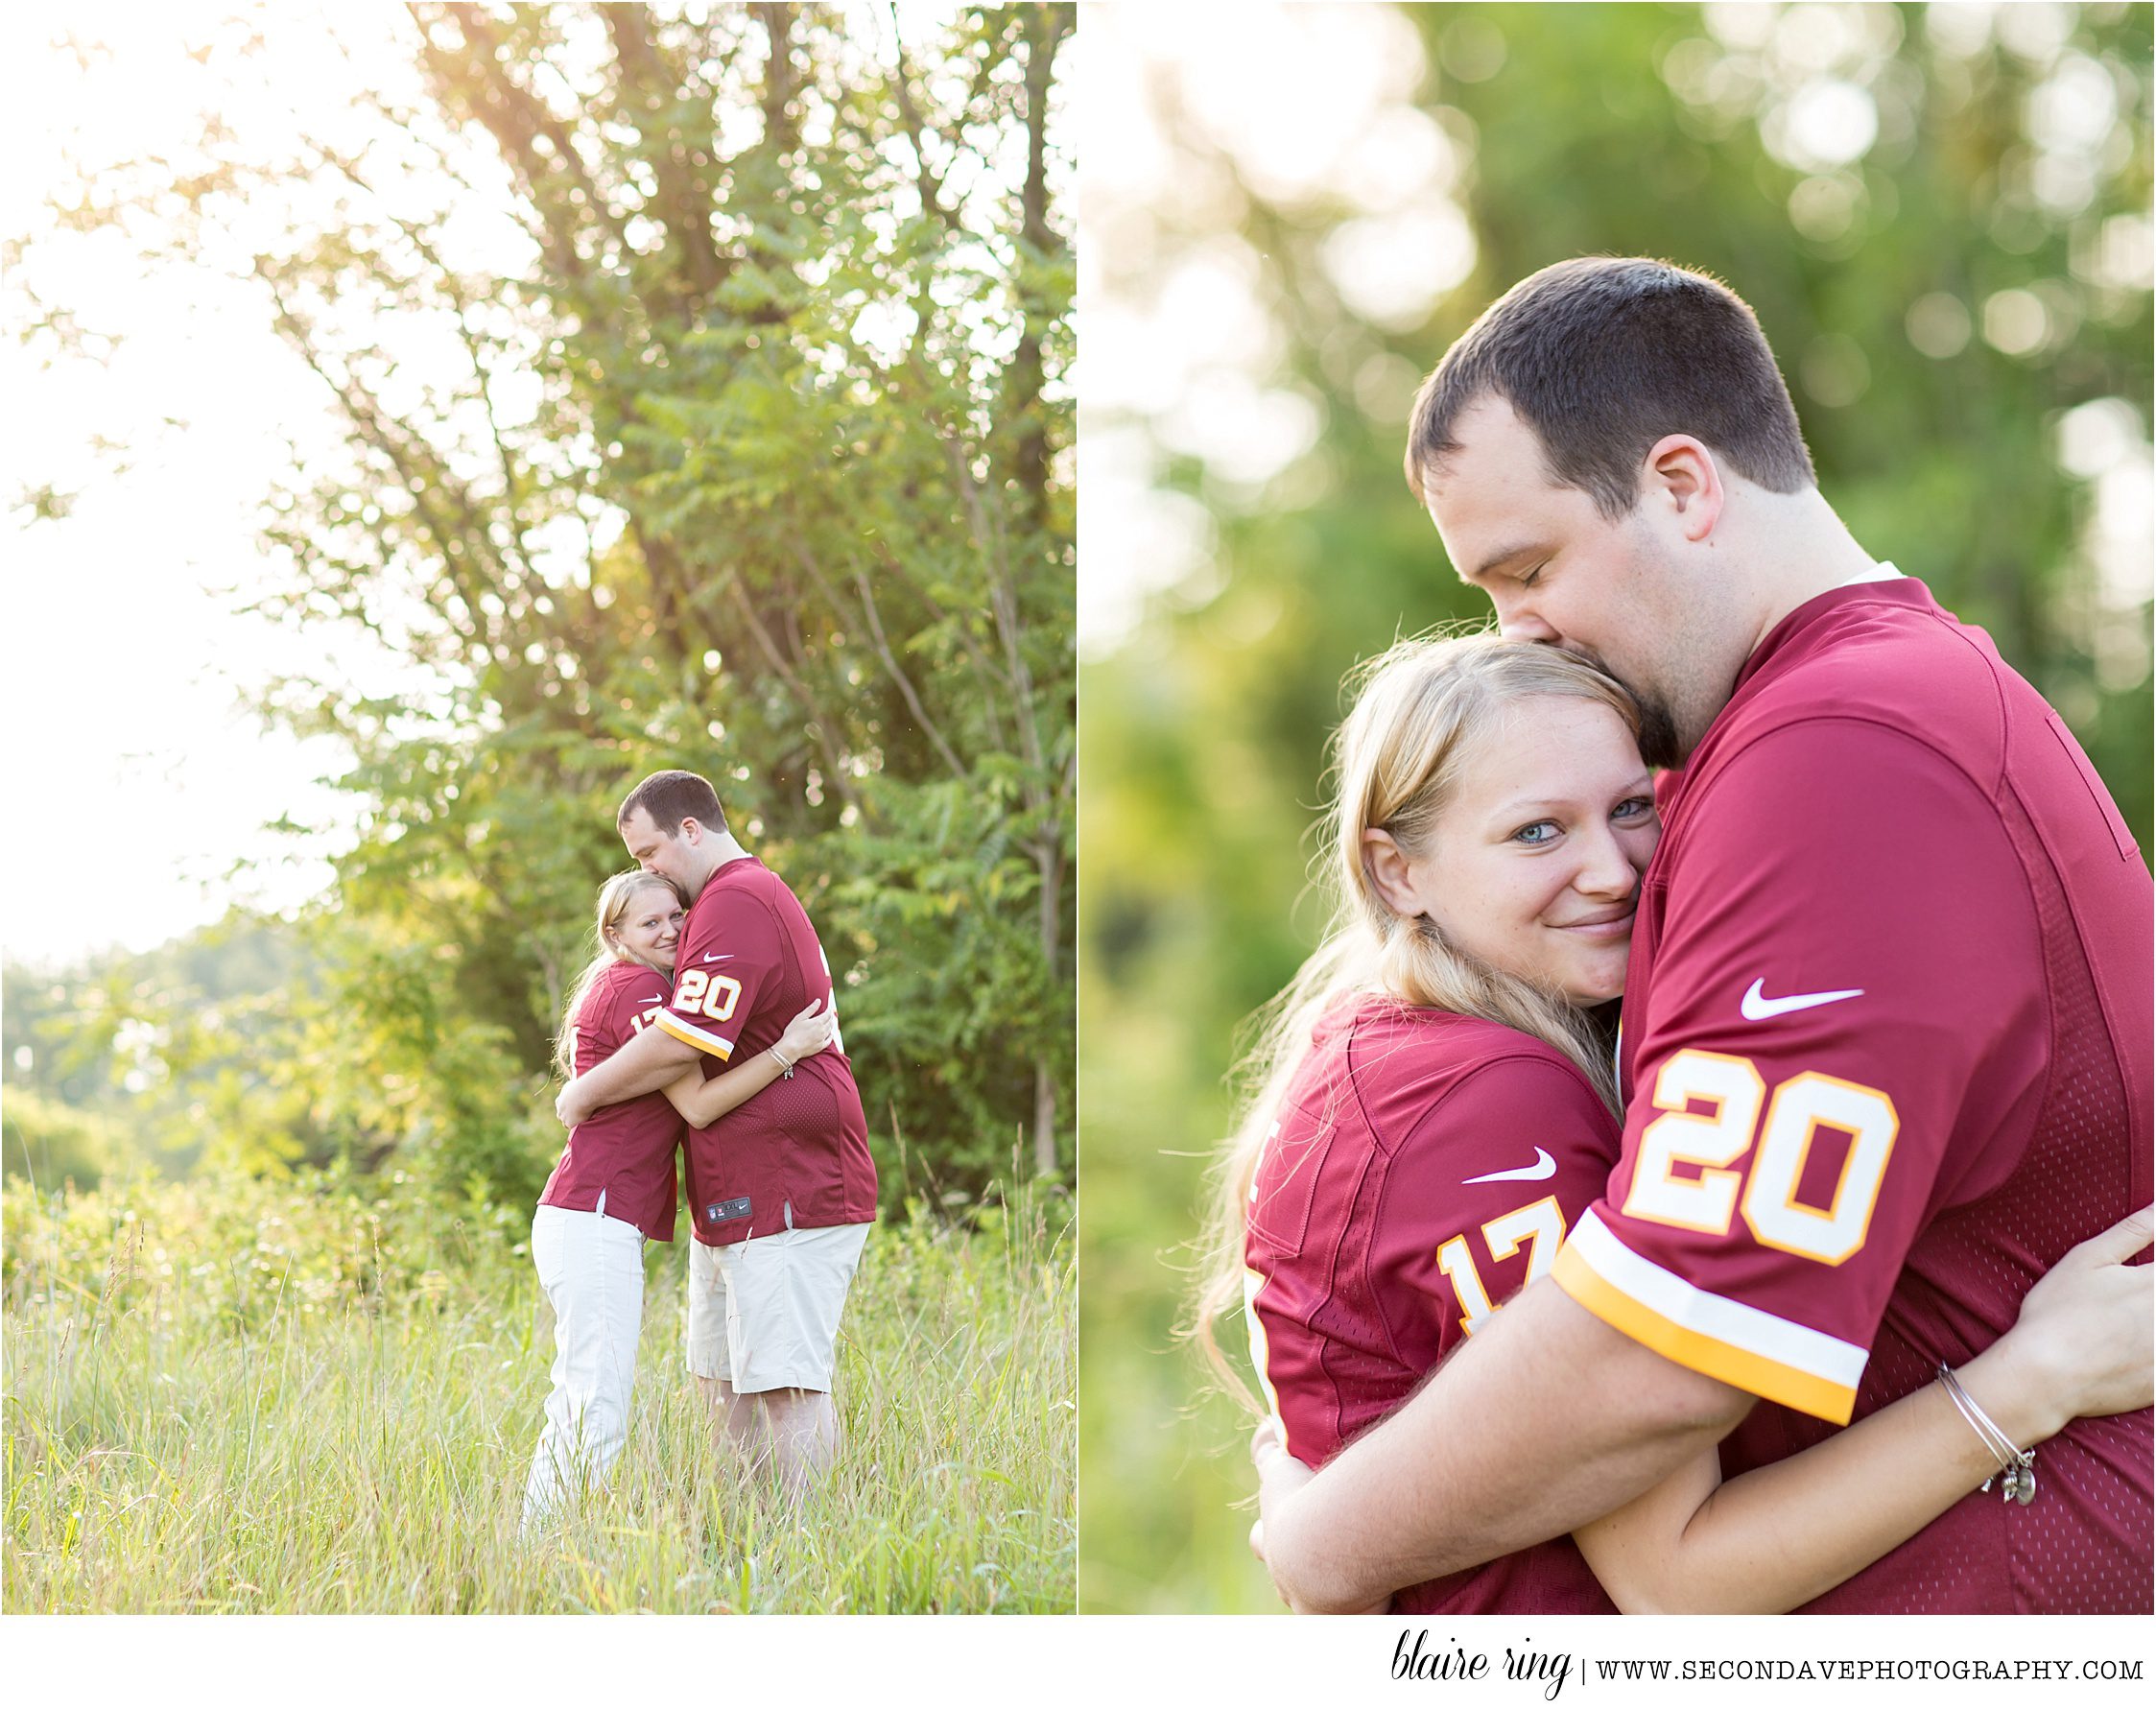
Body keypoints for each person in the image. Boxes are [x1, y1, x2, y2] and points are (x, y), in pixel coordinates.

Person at [1252, 257, 2154, 1614]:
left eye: (1529, 567)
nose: (1521, 631)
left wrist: (1318, 1543)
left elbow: (1664, 1350)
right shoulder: (1845, 716)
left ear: (1679, 486)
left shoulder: (1836, 756)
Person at [1201, 633, 2150, 1613]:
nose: (1611, 871)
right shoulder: (1489, 1099)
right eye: (1536, 832)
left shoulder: (1390, 1042)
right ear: (1398, 873)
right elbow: (1680, 1575)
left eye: (1629, 809)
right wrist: (2034, 1379)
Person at [555, 770, 878, 1496]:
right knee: (721, 1378)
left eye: (649, 854)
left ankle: (808, 1557)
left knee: (786, 1385)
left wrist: (577, 1095)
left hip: (790, 1179)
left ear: (691, 831)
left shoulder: (737, 899)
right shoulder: (713, 909)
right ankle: (748, 1551)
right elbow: (691, 1081)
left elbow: (679, 1041)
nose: (649, 872)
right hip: (733, 1191)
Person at [522, 868, 837, 1532]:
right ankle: (545, 1546)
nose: (668, 930)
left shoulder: (641, 985)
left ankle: (545, 1538)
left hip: (592, 1216)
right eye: (648, 922)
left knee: (588, 1391)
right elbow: (697, 1103)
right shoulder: (639, 987)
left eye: (676, 917)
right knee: (594, 1398)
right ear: (615, 935)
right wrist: (786, 1048)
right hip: (592, 1214)